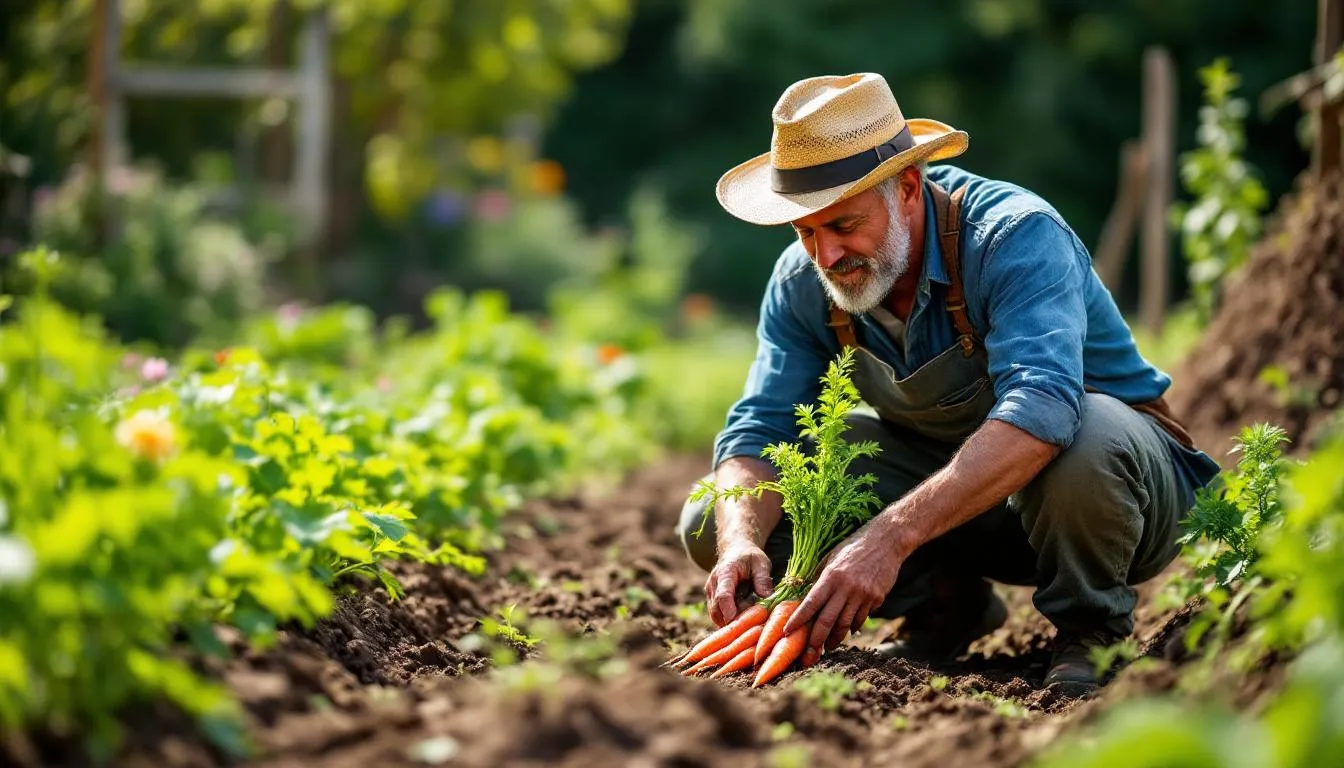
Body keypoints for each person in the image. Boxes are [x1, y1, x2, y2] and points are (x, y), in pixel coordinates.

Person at [675, 72, 1223, 696]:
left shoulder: (1014, 237)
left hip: (1111, 502)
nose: (826, 255)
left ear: (908, 186)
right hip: (957, 505)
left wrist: (887, 537)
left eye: (845, 225)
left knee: (1086, 432)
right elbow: (762, 426)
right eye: (806, 233)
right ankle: (947, 601)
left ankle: (1089, 631)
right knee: (713, 515)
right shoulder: (804, 281)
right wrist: (740, 543)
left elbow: (1042, 410)